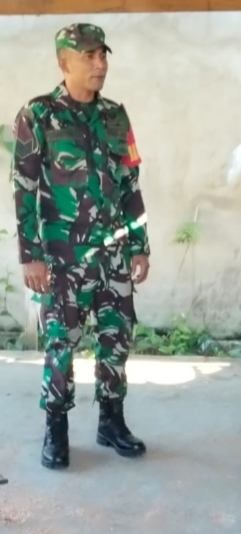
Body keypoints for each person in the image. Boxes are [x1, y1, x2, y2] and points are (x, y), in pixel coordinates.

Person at [11, 23, 151, 470]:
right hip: (62, 259)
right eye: (89, 56)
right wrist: (30, 255)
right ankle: (56, 428)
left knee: (117, 338)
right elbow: (23, 189)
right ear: (64, 62)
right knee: (61, 344)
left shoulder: (116, 117)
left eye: (103, 54)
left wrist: (139, 244)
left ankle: (112, 421)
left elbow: (130, 184)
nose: (100, 63)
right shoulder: (38, 115)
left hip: (113, 256)